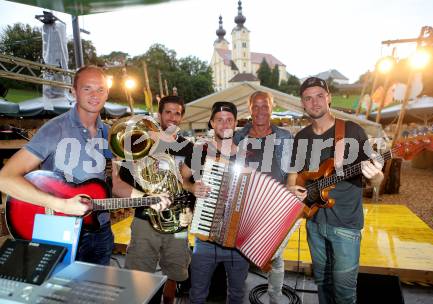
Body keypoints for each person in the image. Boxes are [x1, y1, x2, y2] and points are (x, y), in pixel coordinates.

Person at [0, 65, 170, 265]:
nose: (94, 95)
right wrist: (61, 204)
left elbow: (116, 185)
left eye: (100, 89)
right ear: (74, 92)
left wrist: (148, 199)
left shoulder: (110, 134)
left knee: (98, 293)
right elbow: (5, 178)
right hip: (59, 229)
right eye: (87, 88)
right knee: (60, 295)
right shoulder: (54, 129)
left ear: (107, 93)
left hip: (100, 232)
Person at [287, 77, 383, 304]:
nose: (315, 102)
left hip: (346, 226)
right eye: (308, 98)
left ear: (329, 97)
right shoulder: (302, 137)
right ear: (303, 103)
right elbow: (294, 173)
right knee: (322, 284)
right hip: (313, 222)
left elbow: (377, 177)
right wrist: (292, 187)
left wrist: (376, 175)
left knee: (344, 292)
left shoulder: (352, 131)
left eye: (320, 95)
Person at [124, 95, 194, 304]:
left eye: (177, 113)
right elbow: (125, 179)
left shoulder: (188, 147)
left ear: (182, 117)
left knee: (175, 270)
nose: (172, 117)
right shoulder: (142, 142)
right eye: (168, 112)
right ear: (159, 114)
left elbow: (189, 184)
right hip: (145, 219)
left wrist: (190, 210)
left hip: (177, 224)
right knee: (138, 274)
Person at [181, 101, 249, 304]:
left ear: (236, 123)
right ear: (211, 123)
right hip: (205, 238)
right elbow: (182, 179)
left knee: (237, 294)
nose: (225, 123)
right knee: (197, 293)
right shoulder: (198, 151)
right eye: (219, 120)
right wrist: (192, 187)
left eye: (229, 119)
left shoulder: (248, 155)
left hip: (238, 241)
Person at [233, 91, 293, 304]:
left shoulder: (284, 136)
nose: (260, 111)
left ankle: (274, 298)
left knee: (275, 256)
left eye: (264, 106)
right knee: (240, 254)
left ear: (272, 107)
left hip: (276, 205)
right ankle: (237, 295)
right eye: (255, 106)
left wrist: (290, 192)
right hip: (246, 205)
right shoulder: (238, 137)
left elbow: (292, 170)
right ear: (249, 108)